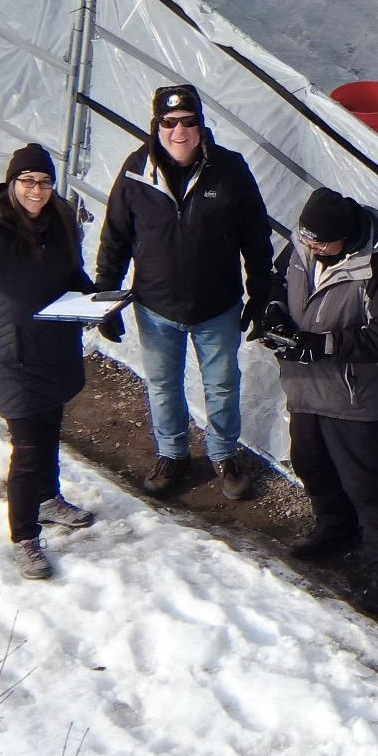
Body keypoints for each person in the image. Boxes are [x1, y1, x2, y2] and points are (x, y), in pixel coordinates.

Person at [0, 145, 120, 581]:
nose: (37, 190)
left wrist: (99, 306)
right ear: (13, 184)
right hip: (14, 354)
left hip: (55, 344)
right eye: (28, 181)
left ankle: (49, 499)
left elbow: (72, 276)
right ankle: (24, 538)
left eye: (45, 182)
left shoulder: (62, 221)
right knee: (28, 449)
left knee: (50, 429)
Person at [92, 84, 279, 499]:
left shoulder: (229, 169)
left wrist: (261, 287)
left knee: (222, 384)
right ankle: (173, 453)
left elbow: (254, 233)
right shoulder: (136, 171)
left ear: (201, 124)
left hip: (217, 306)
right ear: (156, 126)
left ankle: (225, 454)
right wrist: (106, 296)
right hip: (156, 307)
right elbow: (116, 236)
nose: (180, 131)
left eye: (189, 122)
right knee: (163, 384)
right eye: (170, 122)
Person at [262, 187, 378, 617]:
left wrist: (320, 344)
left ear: (345, 239)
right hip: (303, 386)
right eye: (306, 239)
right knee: (309, 463)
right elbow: (278, 281)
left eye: (320, 243)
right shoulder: (299, 249)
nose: (311, 248)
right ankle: (335, 528)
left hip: (350, 395)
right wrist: (273, 310)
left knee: (367, 485)